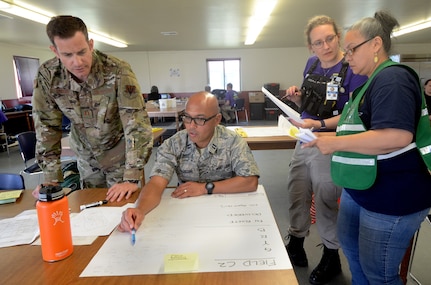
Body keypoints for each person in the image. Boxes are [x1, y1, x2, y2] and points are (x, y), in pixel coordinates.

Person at [304, 11, 431, 284]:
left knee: (378, 272)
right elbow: (354, 119)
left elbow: (395, 136)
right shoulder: (370, 82)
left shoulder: (392, 79)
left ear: (376, 44)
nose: (346, 57)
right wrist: (320, 124)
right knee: (356, 257)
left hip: (392, 194)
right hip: (363, 186)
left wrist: (334, 143)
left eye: (351, 50)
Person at [282, 15, 367, 285]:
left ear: (338, 37)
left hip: (330, 142)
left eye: (329, 38)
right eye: (318, 42)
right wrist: (297, 98)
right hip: (304, 137)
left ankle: (331, 255)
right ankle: (296, 244)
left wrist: (319, 123)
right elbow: (311, 100)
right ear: (311, 47)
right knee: (297, 191)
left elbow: (353, 114)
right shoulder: (312, 64)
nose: (326, 46)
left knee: (326, 198)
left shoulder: (352, 67)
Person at [31, 16, 153, 202]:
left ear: (90, 44)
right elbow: (47, 128)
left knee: (124, 208)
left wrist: (132, 176)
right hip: (86, 157)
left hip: (120, 157)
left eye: (82, 52)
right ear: (55, 51)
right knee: (92, 206)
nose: (77, 62)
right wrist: (51, 179)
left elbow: (136, 124)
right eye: (67, 55)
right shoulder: (48, 75)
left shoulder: (117, 71)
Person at [118, 91, 259, 232]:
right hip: (186, 212)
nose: (191, 126)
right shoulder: (173, 144)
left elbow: (250, 181)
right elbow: (156, 183)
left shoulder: (233, 141)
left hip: (226, 209)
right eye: (187, 118)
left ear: (217, 119)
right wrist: (140, 210)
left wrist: (204, 188)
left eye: (200, 119)